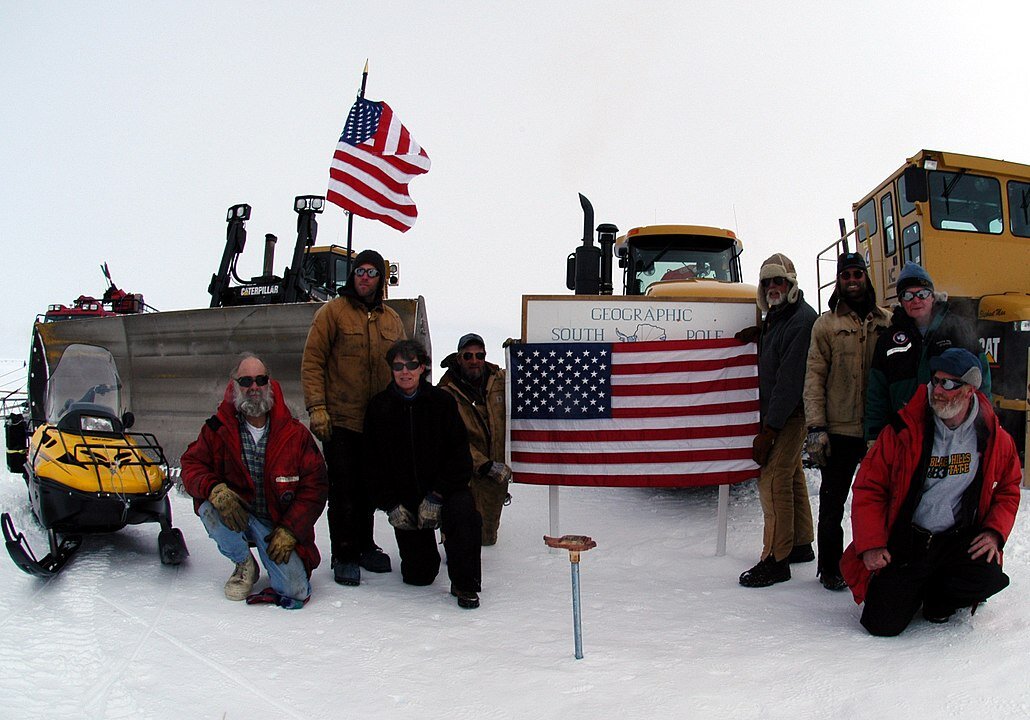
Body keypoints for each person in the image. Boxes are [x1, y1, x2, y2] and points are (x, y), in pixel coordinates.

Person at [840, 348, 1021, 636]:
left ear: (969, 389)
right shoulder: (904, 430)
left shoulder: (992, 436)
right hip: (909, 540)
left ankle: (939, 596)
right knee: (881, 625)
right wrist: (872, 544)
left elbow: (1009, 487)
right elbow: (869, 487)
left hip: (956, 539)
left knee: (987, 574)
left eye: (949, 383)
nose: (938, 390)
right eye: (935, 381)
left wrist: (994, 532)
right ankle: (915, 586)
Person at [181, 354, 328, 609]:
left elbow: (315, 486)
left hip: (277, 526)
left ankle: (271, 554)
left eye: (260, 380)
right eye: (246, 381)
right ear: (235, 385)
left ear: (269, 384)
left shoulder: (294, 434)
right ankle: (243, 562)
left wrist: (291, 530)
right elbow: (191, 465)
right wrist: (214, 488)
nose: (254, 387)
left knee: (295, 591)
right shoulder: (217, 429)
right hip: (238, 516)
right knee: (208, 506)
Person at [301, 249, 406, 587]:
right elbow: (312, 362)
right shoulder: (332, 313)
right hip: (340, 419)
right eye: (359, 271)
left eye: (371, 272)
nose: (364, 277)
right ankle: (344, 553)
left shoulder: (392, 320)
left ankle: (365, 546)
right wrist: (317, 408)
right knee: (344, 489)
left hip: (379, 424)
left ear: (380, 278)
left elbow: (406, 368)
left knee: (369, 487)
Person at [363, 339, 483, 609]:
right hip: (405, 498)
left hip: (445, 492)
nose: (405, 372)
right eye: (398, 366)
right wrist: (391, 504)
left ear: (423, 368)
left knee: (464, 512)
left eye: (412, 365)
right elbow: (372, 466)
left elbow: (460, 459)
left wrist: (438, 495)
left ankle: (465, 583)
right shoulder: (379, 408)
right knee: (419, 575)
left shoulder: (442, 402)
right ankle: (426, 558)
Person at [803, 252, 892, 591]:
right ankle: (830, 568)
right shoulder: (825, 325)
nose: (852, 280)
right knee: (832, 502)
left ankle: (881, 564)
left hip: (876, 432)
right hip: (838, 431)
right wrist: (816, 428)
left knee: (880, 502)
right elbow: (814, 377)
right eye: (846, 275)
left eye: (857, 273)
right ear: (839, 281)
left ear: (866, 277)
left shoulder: (886, 321)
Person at [737, 253, 818, 588]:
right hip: (784, 411)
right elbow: (780, 346)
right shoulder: (780, 317)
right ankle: (800, 543)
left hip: (790, 413)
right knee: (792, 474)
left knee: (772, 480)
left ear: (791, 284)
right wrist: (760, 334)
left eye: (778, 281)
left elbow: (789, 381)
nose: (772, 287)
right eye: (767, 282)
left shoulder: (799, 321)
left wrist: (769, 431)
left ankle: (776, 557)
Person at [864, 262, 990, 443]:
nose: (916, 300)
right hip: (904, 433)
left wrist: (983, 422)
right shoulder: (888, 339)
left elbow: (981, 377)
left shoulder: (957, 329)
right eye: (908, 295)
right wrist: (874, 436)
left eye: (922, 294)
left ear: (932, 296)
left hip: (953, 432)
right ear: (900, 301)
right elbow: (877, 392)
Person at [438, 333, 511, 546]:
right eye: (468, 356)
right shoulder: (445, 393)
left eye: (479, 355)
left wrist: (519, 351)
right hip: (462, 473)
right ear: (459, 358)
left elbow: (528, 373)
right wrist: (483, 464)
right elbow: (448, 438)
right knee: (461, 537)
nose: (474, 361)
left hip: (494, 478)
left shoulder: (500, 381)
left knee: (486, 540)